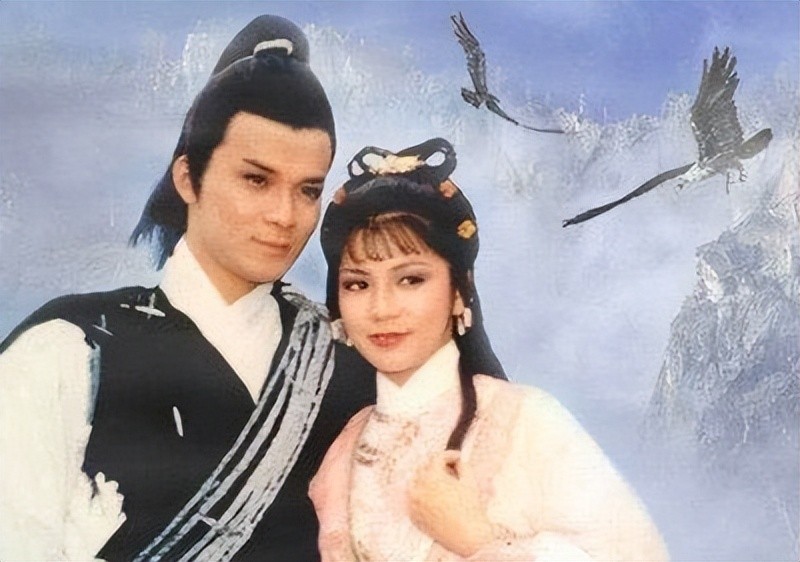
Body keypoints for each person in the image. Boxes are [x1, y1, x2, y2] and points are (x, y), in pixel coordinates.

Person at [0, 15, 374, 562]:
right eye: (256, 179)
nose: (284, 215)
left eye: (308, 190)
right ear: (187, 177)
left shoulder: (350, 361)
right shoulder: (69, 349)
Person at [309, 138, 670, 561]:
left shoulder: (526, 421)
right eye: (358, 284)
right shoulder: (345, 449)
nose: (381, 308)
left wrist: (478, 540)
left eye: (410, 279)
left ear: (459, 291)